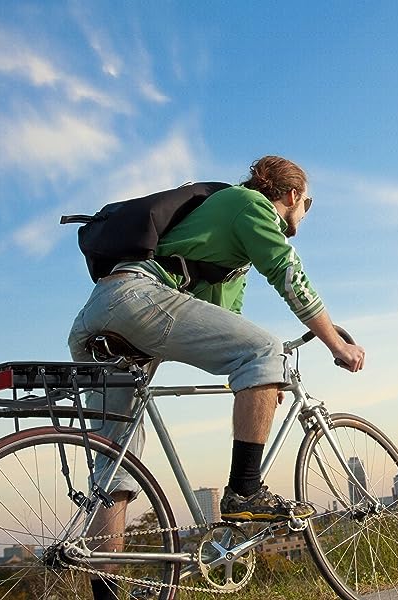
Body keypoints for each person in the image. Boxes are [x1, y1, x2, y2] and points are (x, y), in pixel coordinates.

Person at [67, 155, 365, 598]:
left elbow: (223, 320)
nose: (305, 212)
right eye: (308, 203)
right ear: (291, 195)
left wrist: (259, 383)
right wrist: (335, 344)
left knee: (116, 464)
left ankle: (108, 587)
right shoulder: (251, 205)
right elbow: (290, 275)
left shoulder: (224, 236)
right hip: (139, 299)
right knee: (265, 349)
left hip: (98, 311)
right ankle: (245, 493)